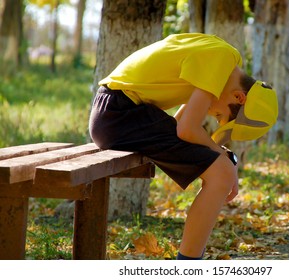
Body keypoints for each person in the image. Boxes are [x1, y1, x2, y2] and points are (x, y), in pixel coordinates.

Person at [89, 33, 278, 260]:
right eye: (219, 115)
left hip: (116, 112)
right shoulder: (221, 59)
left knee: (222, 171)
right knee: (221, 174)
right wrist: (226, 162)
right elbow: (187, 129)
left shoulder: (223, 58)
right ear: (239, 97)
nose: (213, 115)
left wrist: (226, 160)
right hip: (119, 114)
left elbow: (179, 126)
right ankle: (188, 266)